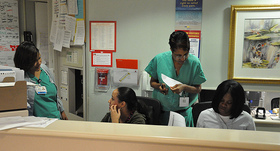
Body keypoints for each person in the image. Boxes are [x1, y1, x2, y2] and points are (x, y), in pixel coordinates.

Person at [145, 31, 206, 127]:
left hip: (184, 113)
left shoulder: (194, 63)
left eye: (186, 54)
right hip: (162, 113)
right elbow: (152, 82)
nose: (183, 58)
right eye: (178, 55)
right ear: (171, 50)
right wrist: (159, 86)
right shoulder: (159, 59)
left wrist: (185, 87)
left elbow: (198, 89)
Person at [14, 41, 68, 120]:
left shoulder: (45, 69)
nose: (39, 62)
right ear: (26, 62)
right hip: (38, 124)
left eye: (39, 58)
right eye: (35, 61)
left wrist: (62, 111)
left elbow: (55, 96)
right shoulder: (21, 78)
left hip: (56, 120)